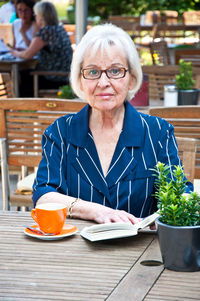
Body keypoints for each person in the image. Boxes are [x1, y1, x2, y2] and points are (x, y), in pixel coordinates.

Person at [32, 23, 193, 224]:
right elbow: (43, 195)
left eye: (115, 71)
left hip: (139, 249)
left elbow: (180, 194)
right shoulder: (60, 132)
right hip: (74, 250)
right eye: (92, 72)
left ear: (132, 79)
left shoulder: (157, 132)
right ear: (80, 80)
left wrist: (173, 213)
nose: (103, 82)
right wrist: (96, 211)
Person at [9, 1, 72, 96]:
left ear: (41, 16)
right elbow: (32, 48)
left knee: (22, 75)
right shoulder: (59, 28)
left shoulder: (46, 31)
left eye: (36, 14)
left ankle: (18, 105)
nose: (35, 17)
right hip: (64, 77)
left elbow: (28, 55)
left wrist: (13, 52)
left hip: (54, 79)